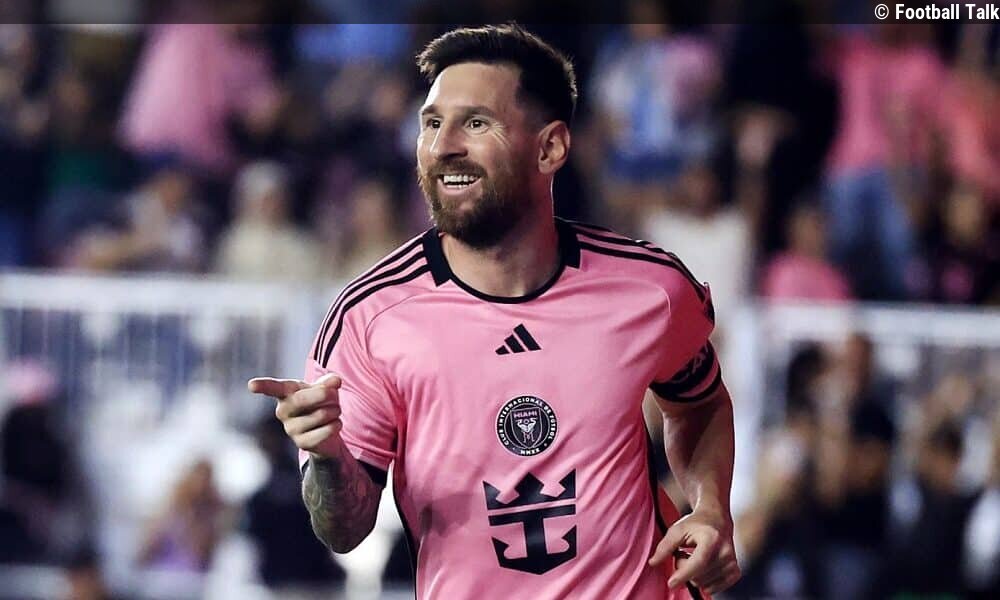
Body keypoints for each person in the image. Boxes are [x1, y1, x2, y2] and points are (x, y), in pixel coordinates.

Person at [249, 24, 739, 598]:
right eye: (432, 124)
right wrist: (328, 455)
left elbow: (700, 404)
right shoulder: (370, 319)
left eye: (476, 123)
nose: (443, 146)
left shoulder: (650, 290)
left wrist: (711, 508)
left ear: (550, 148)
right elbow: (343, 530)